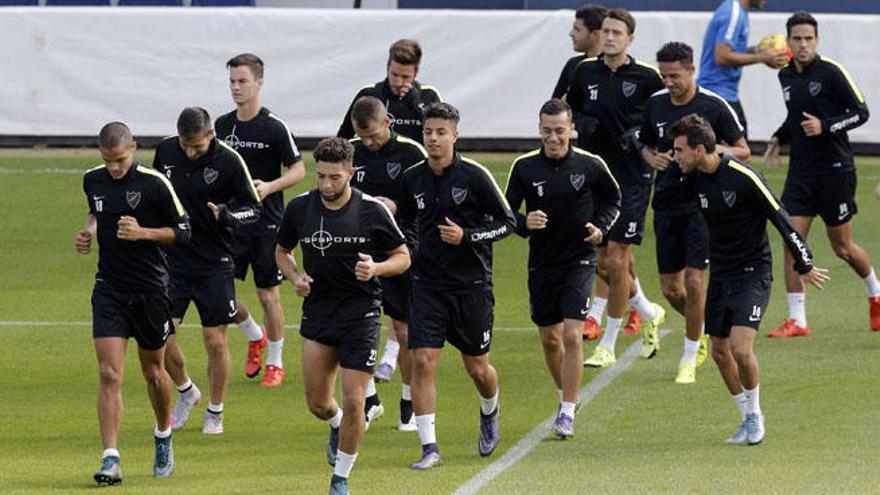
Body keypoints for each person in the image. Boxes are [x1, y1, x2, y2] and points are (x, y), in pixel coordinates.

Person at [661, 113, 828, 445]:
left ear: (698, 149)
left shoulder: (742, 176)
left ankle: (756, 415)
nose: (674, 155)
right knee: (720, 352)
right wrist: (671, 173)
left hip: (753, 271)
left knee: (739, 348)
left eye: (679, 150)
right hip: (720, 271)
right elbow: (662, 202)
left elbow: (779, 216)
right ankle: (746, 416)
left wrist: (804, 261)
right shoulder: (691, 177)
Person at [275, 137, 410, 495]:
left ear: (351, 173)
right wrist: (294, 277)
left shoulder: (371, 211)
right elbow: (282, 250)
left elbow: (403, 257)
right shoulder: (301, 208)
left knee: (354, 399)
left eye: (334, 177)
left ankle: (341, 479)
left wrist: (377, 268)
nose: (326, 185)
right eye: (320, 176)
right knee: (318, 403)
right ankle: (334, 424)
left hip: (360, 314)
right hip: (319, 312)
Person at [398, 102, 515, 469]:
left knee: (478, 368)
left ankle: (489, 410)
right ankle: (429, 447)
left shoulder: (475, 176)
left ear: (455, 135)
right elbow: (403, 221)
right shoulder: (413, 177)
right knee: (423, 361)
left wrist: (468, 236)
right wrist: (410, 250)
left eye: (441, 132)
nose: (433, 138)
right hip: (428, 285)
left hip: (471, 286)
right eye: (428, 132)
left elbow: (508, 222)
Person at [78, 122, 190, 485]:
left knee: (153, 374)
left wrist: (143, 233)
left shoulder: (154, 183)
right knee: (110, 374)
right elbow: (97, 213)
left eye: (120, 160)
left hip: (150, 290)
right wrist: (89, 232)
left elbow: (184, 230)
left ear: (135, 148)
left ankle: (163, 434)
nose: (114, 167)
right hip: (109, 287)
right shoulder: (92, 179)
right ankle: (111, 458)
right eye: (108, 160)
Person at [505, 99, 621, 438]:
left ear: (571, 129)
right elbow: (505, 214)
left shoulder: (590, 165)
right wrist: (526, 222)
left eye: (559, 131)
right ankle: (565, 396)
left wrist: (601, 228)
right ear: (539, 130)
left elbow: (613, 200)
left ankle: (567, 413)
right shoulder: (524, 168)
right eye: (546, 131)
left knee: (572, 334)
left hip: (580, 260)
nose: (553, 138)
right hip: (542, 264)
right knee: (550, 338)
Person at [640, 41, 750, 384]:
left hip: (702, 205)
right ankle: (701, 327)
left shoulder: (714, 106)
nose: (668, 82)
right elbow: (646, 144)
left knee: (694, 279)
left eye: (674, 75)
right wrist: (652, 158)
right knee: (672, 289)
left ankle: (689, 356)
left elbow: (744, 150)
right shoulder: (656, 104)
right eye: (663, 75)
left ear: (691, 70)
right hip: (667, 203)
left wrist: (710, 152)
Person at [764, 12, 876, 337]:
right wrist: (778, 137)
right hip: (801, 173)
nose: (802, 45)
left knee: (842, 247)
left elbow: (861, 112)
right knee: (791, 240)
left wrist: (825, 127)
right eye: (796, 39)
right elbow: (795, 116)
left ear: (817, 41)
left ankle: (875, 293)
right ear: (788, 42)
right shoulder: (785, 75)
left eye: (808, 39)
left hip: (836, 171)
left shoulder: (831, 72)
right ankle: (797, 320)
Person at [153, 107, 262, 435]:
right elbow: (156, 193)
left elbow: (253, 208)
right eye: (186, 146)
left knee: (215, 339)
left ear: (211, 135)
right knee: (159, 338)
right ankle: (187, 392)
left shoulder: (229, 161)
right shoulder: (166, 150)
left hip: (214, 261)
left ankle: (215, 411)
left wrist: (229, 215)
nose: (190, 152)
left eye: (197, 147)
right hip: (173, 260)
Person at [567, 8, 666, 366]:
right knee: (600, 258)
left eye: (616, 33)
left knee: (616, 258)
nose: (609, 37)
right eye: (606, 32)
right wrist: (583, 123)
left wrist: (640, 136)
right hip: (594, 176)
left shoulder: (646, 78)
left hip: (632, 178)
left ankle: (608, 344)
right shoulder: (585, 72)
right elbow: (568, 109)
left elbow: (663, 121)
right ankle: (649, 312)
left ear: (630, 39)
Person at [215, 53, 306, 387]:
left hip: (267, 222)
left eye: (242, 81)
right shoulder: (222, 126)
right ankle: (255, 335)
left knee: (268, 295)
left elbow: (298, 169)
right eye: (232, 82)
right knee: (220, 294)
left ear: (259, 83)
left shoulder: (274, 127)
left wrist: (270, 187)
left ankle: (275, 361)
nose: (236, 88)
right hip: (230, 222)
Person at [349, 96, 428, 432]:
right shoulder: (350, 151)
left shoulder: (412, 154)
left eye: (373, 136)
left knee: (405, 329)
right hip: (358, 249)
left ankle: (408, 401)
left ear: (387, 123)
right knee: (349, 326)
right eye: (361, 137)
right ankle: (370, 400)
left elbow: (429, 199)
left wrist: (396, 206)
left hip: (400, 248)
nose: (367, 143)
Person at [697, 0, 789, 137]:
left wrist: (757, 50)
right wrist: (763, 57)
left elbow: (731, 50)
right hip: (717, 93)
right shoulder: (733, 13)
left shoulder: (737, 11)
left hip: (722, 93)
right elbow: (721, 56)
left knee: (737, 151)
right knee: (738, 152)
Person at [337, 39, 442, 144]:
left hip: (418, 159)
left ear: (416, 72)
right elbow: (343, 137)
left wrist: (416, 104)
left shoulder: (429, 95)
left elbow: (442, 137)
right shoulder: (369, 94)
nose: (398, 83)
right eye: (394, 75)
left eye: (405, 77)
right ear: (388, 67)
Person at [552, 4, 608, 99]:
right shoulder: (573, 64)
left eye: (577, 29)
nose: (571, 33)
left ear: (595, 35)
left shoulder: (616, 67)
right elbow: (554, 109)